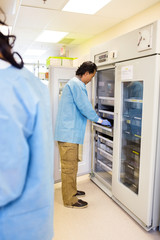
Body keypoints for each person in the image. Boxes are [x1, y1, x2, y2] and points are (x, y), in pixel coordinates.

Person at [0, 9, 54, 240]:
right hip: (34, 224)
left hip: (11, 227)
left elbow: (5, 181)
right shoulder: (31, 84)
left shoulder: (6, 90)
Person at [55, 61, 111, 208]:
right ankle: (70, 200)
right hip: (68, 135)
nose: (90, 80)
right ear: (86, 73)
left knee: (72, 166)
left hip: (69, 134)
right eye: (91, 77)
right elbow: (84, 106)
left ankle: (71, 191)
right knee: (68, 168)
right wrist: (99, 119)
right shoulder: (76, 85)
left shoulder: (74, 84)